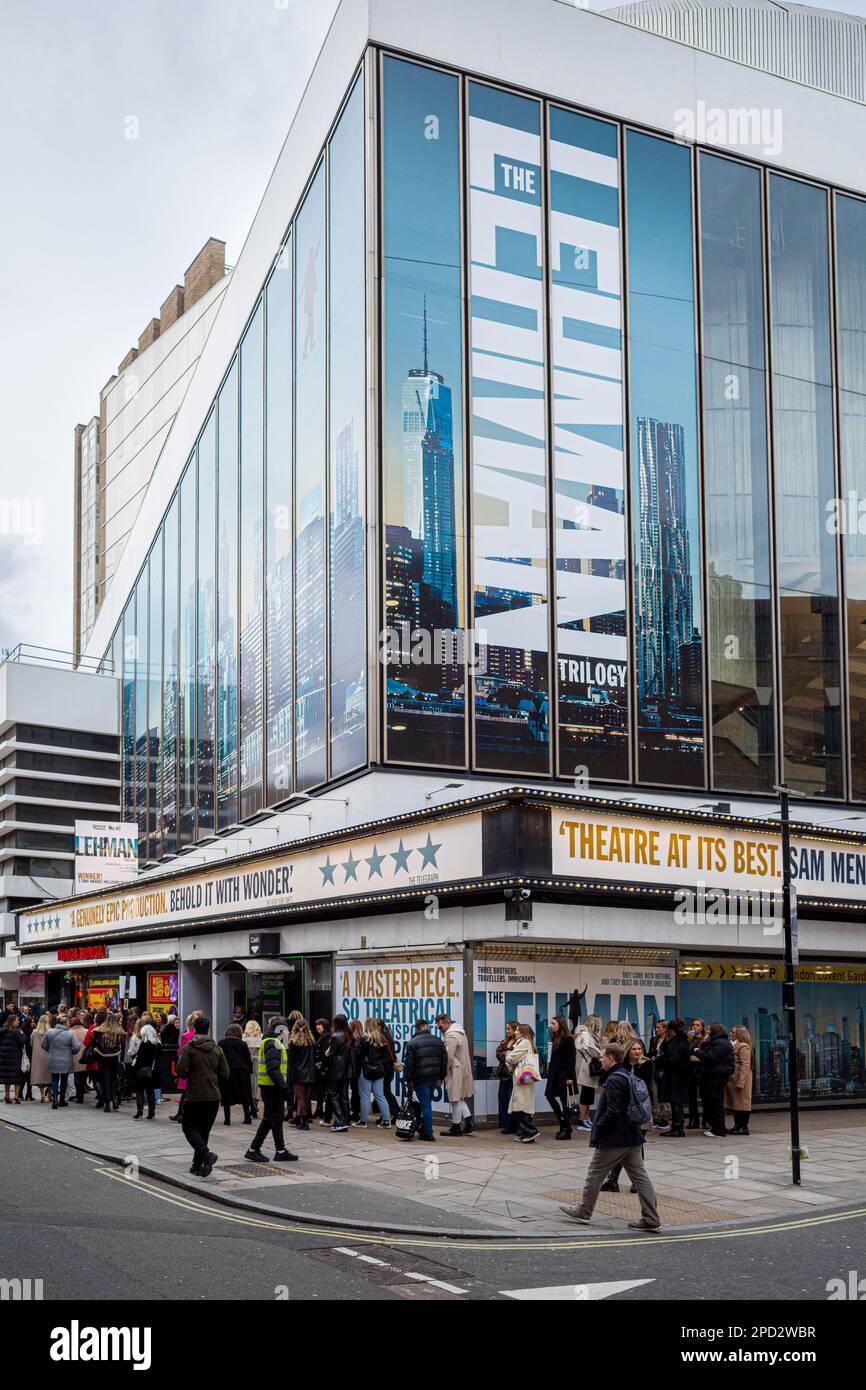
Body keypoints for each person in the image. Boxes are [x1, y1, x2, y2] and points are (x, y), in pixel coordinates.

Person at [560, 1043, 662, 1232]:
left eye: (602, 1056)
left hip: (615, 1138)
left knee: (594, 1173)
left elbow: (613, 1110)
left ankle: (584, 1211)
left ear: (611, 1058)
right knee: (640, 1178)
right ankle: (651, 1217)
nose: (600, 1059)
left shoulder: (615, 1079)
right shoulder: (626, 1074)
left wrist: (600, 1126)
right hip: (632, 1135)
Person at [176, 1015, 230, 1176]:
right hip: (213, 1096)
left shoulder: (189, 1049)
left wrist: (193, 1074)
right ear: (208, 1029)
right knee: (204, 1130)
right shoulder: (217, 1049)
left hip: (194, 1095)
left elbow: (181, 1072)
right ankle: (198, 1165)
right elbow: (225, 1073)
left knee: (188, 1126)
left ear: (194, 1029)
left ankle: (206, 1155)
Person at [601, 1037, 654, 1192]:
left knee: (637, 1143)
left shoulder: (647, 1064)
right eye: (634, 1049)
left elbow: (645, 1087)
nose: (637, 1052)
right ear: (628, 1050)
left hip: (639, 1109)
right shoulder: (622, 1065)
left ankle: (636, 1181)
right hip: (623, 1110)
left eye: (639, 1049)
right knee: (623, 1144)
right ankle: (613, 1179)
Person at [244, 1016, 298, 1164]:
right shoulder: (273, 1044)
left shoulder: (274, 1042)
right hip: (272, 1087)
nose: (288, 1033)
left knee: (277, 1118)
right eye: (286, 1030)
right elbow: (273, 1069)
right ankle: (253, 1149)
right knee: (269, 1118)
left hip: (272, 1086)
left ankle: (280, 1150)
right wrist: (285, 1089)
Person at [403, 1019, 447, 1142]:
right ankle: (424, 1128)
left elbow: (409, 1064)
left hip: (420, 1078)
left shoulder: (412, 1043)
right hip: (433, 1078)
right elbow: (444, 1060)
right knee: (427, 1103)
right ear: (426, 1028)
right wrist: (441, 1077)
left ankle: (428, 1132)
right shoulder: (438, 1041)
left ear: (416, 1028)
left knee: (426, 1105)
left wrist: (409, 1080)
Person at [692, 1022, 735, 1137]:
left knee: (715, 1103)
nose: (707, 1031)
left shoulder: (720, 1043)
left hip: (716, 1076)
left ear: (714, 1031)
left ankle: (718, 1129)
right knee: (713, 1103)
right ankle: (716, 1128)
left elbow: (710, 1058)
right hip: (715, 1075)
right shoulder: (718, 1041)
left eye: (709, 1030)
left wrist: (696, 1050)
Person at [436, 1013, 475, 1137]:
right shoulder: (459, 1032)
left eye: (440, 1026)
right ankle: (469, 1122)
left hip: (455, 1070)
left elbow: (448, 1057)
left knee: (454, 1099)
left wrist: (441, 1075)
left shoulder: (451, 1036)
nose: (439, 1029)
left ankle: (456, 1126)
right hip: (461, 1069)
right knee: (459, 1097)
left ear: (447, 1023)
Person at [354, 1017, 392, 1128]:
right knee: (380, 1095)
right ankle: (386, 1121)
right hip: (379, 1070)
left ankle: (363, 1121)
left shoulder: (363, 1038)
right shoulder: (382, 1039)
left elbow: (359, 1055)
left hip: (365, 1069)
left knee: (365, 1096)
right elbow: (385, 1057)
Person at [506, 1022, 541, 1142]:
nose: (515, 1032)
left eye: (517, 1030)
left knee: (519, 1109)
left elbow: (512, 1058)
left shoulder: (524, 1042)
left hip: (522, 1079)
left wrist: (508, 1054)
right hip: (523, 1079)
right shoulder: (525, 1042)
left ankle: (532, 1131)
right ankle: (526, 1134)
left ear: (523, 1032)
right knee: (521, 1108)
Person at [658, 1017, 692, 1138]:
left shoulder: (676, 1042)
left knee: (675, 1102)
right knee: (676, 1102)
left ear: (671, 1030)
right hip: (680, 1075)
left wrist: (661, 1058)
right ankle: (677, 1127)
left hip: (675, 1076)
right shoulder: (683, 1040)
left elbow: (672, 1060)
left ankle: (677, 1127)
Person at [545, 1016, 577, 1140]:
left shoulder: (568, 1039)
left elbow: (571, 1059)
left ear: (560, 1025)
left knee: (566, 1102)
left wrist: (569, 1077)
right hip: (554, 1074)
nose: (550, 1025)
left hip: (564, 1075)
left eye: (553, 1023)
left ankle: (565, 1129)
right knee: (550, 1096)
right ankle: (564, 1125)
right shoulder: (555, 1038)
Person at [41, 1014, 81, 1108]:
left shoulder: (49, 1032)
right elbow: (76, 1047)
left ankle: (55, 1098)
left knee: (54, 1079)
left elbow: (43, 1044)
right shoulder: (70, 1034)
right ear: (65, 1023)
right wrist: (72, 1052)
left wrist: (50, 1050)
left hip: (53, 1058)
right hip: (66, 1059)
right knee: (64, 1079)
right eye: (68, 1022)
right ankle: (62, 1100)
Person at [218, 1023, 255, 1125]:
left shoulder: (222, 1043)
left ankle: (227, 1119)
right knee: (244, 1094)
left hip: (227, 1071)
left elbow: (219, 1058)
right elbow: (248, 1059)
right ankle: (247, 1117)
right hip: (242, 1072)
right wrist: (249, 1070)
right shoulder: (242, 1044)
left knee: (226, 1095)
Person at [171, 1011, 201, 1124]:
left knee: (185, 1093)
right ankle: (181, 1114)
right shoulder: (199, 1035)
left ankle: (181, 1114)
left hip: (188, 1067)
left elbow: (181, 1052)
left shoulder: (186, 1035)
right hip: (198, 1067)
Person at [574, 1014, 602, 1131]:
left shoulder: (586, 1035)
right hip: (586, 1069)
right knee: (586, 1094)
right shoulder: (585, 1036)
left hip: (588, 1068)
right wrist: (603, 1052)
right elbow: (594, 1052)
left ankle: (586, 1117)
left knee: (589, 1094)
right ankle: (582, 1119)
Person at [324, 1014, 352, 1132]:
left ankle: (340, 1121)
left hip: (336, 1070)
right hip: (346, 1070)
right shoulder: (348, 1035)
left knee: (333, 1094)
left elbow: (331, 1055)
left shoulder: (336, 1036)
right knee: (344, 1096)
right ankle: (344, 1120)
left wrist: (323, 1067)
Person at [93, 1010, 125, 1112]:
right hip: (114, 1057)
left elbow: (95, 1043)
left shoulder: (99, 1031)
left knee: (105, 1080)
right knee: (113, 1079)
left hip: (103, 1057)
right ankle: (115, 1100)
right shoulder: (119, 1031)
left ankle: (107, 1103)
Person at [725, 1025, 754, 1135]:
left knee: (742, 1104)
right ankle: (737, 1126)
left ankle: (743, 1128)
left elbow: (745, 1065)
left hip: (741, 1080)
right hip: (734, 1080)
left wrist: (741, 1081)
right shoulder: (735, 1045)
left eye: (733, 1032)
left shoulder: (743, 1047)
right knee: (737, 1105)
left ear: (740, 1034)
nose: (731, 1034)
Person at [288, 1017, 315, 1130]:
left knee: (300, 1098)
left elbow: (291, 1060)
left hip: (297, 1073)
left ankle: (304, 1121)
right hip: (309, 1072)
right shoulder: (310, 1041)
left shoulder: (293, 1043)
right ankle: (299, 1118)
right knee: (302, 1098)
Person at [129, 1021, 160, 1120]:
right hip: (152, 1071)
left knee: (140, 1091)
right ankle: (151, 1112)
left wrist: (134, 1068)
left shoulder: (144, 1044)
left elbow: (140, 1059)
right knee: (150, 1092)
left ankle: (140, 1111)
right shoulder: (158, 1044)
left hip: (142, 1071)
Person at [496, 1021, 519, 1134]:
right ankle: (505, 1123)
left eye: (509, 1029)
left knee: (512, 1100)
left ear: (515, 1029)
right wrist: (508, 1055)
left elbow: (515, 1057)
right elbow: (498, 1053)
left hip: (514, 1074)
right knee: (502, 1097)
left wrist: (506, 1054)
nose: (507, 1031)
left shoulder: (520, 1042)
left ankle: (513, 1124)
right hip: (504, 1074)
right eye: (506, 1029)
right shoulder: (505, 1041)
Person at [380, 1019, 401, 1123]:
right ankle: (385, 1113)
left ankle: (396, 1112)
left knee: (385, 1092)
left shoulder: (381, 1037)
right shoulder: (387, 1036)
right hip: (389, 1068)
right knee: (384, 1091)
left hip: (384, 1068)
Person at [648, 1020, 670, 1127]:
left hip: (665, 1070)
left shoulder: (669, 1040)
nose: (657, 1030)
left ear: (665, 1029)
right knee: (655, 1093)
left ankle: (665, 1117)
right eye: (656, 1027)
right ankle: (657, 1116)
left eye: (659, 1027)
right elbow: (650, 1053)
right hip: (655, 1069)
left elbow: (669, 1056)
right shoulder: (654, 1040)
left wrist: (659, 1058)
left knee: (664, 1093)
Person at [686, 1019, 707, 1127]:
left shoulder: (706, 1039)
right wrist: (688, 1039)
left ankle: (706, 1120)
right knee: (691, 1097)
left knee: (705, 1096)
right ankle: (693, 1119)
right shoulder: (689, 1039)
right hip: (690, 1070)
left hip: (702, 1070)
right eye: (693, 1024)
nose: (695, 1027)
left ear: (702, 1027)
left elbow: (709, 1054)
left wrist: (699, 1059)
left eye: (698, 1025)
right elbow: (684, 1052)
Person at [0, 1015, 26, 1103]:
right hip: (15, 1057)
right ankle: (16, 1096)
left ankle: (7, 1096)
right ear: (13, 1021)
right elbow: (22, 1042)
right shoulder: (16, 1031)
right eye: (17, 1020)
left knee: (7, 1078)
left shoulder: (2, 1031)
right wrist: (23, 1034)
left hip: (4, 1058)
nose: (18, 1022)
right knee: (17, 1078)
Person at [29, 1012, 53, 1103]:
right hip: (48, 1055)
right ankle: (50, 1094)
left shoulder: (34, 1032)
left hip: (37, 1056)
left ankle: (42, 1095)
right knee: (49, 1076)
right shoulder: (50, 1031)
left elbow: (31, 1043)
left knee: (40, 1077)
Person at [312, 1018, 332, 1124]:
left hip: (323, 1069)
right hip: (319, 1068)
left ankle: (323, 1111)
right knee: (319, 1091)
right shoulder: (321, 1037)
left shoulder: (327, 1037)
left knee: (323, 1091)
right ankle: (319, 1109)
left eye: (319, 1024)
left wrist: (323, 1068)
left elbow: (325, 1055)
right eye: (316, 1024)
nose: (317, 1026)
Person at [70, 1011, 91, 1103]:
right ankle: (81, 1094)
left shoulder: (70, 1032)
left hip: (74, 1057)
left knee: (76, 1077)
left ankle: (78, 1095)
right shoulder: (86, 1031)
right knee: (83, 1077)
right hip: (84, 1057)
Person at [242, 1018, 262, 1116]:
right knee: (258, 1083)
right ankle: (255, 1103)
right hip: (259, 1063)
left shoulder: (243, 1038)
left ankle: (251, 1105)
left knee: (248, 1082)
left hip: (247, 1063)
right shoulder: (262, 1038)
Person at [347, 1018, 364, 1123]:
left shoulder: (352, 1040)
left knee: (355, 1091)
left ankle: (355, 1112)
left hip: (354, 1069)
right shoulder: (363, 1039)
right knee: (358, 1092)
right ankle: (358, 1112)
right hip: (361, 1069)